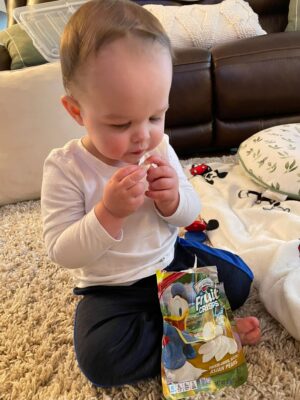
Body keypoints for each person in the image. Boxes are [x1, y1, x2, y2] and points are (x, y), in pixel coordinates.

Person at [41, 0, 260, 388]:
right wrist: (108, 213)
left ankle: (188, 320)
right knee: (100, 359)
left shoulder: (159, 149)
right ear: (76, 111)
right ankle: (206, 339)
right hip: (111, 289)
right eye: (121, 122)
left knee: (241, 281)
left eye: (156, 116)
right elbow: (61, 249)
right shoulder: (65, 168)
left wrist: (172, 198)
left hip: (169, 261)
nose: (142, 135)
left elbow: (189, 207)